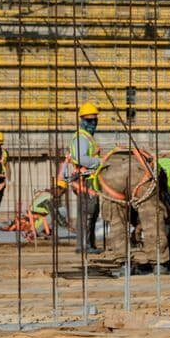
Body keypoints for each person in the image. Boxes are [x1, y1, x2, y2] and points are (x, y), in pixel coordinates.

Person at [64, 102, 102, 253]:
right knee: (87, 213)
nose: (93, 123)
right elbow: (80, 158)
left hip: (91, 179)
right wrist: (99, 161)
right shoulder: (81, 138)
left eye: (95, 120)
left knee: (92, 213)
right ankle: (83, 245)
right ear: (82, 120)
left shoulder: (87, 137)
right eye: (89, 120)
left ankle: (89, 244)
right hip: (85, 180)